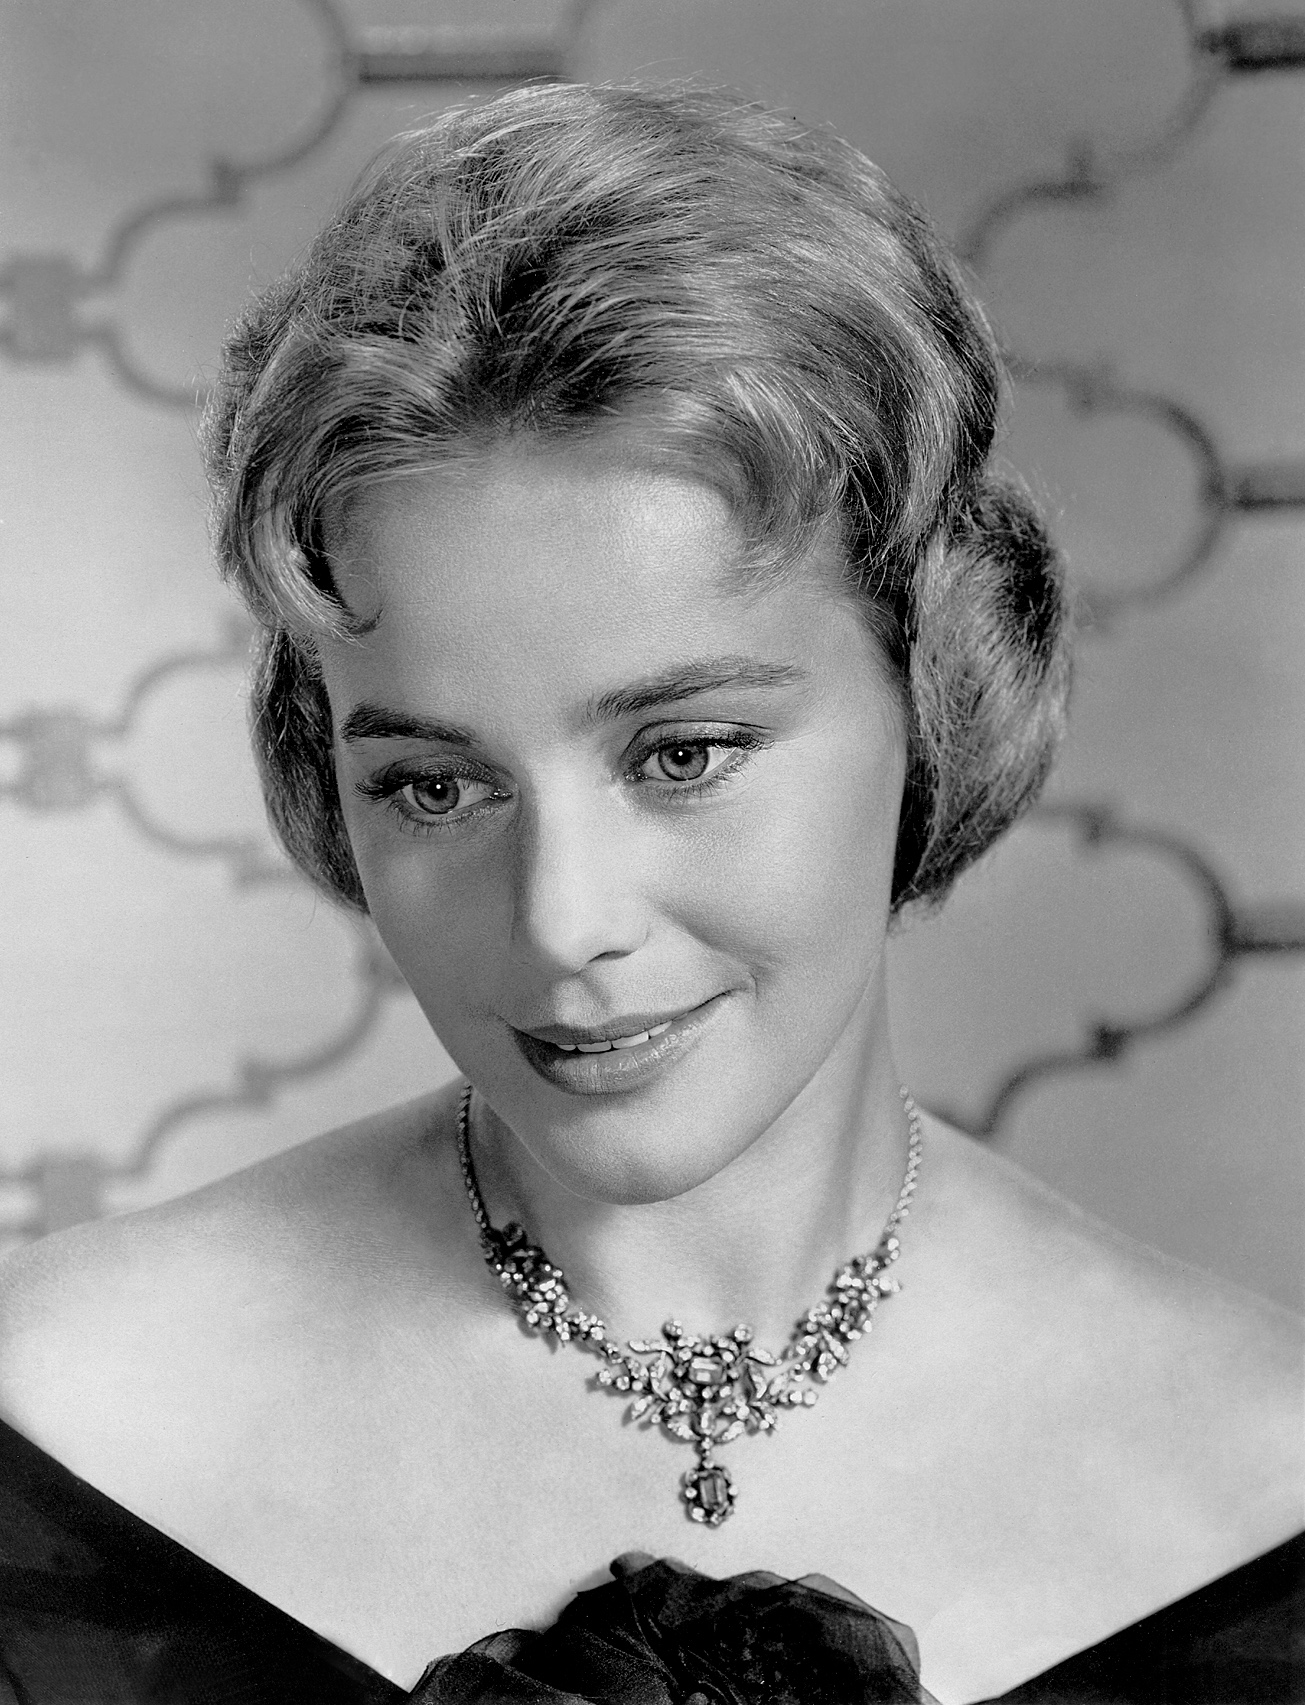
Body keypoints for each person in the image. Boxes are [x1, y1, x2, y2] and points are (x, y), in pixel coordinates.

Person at [0, 81, 1299, 1705]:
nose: (560, 922)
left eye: (683, 753)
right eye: (433, 785)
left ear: (938, 693)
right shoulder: (49, 1413)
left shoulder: (1264, 1477)